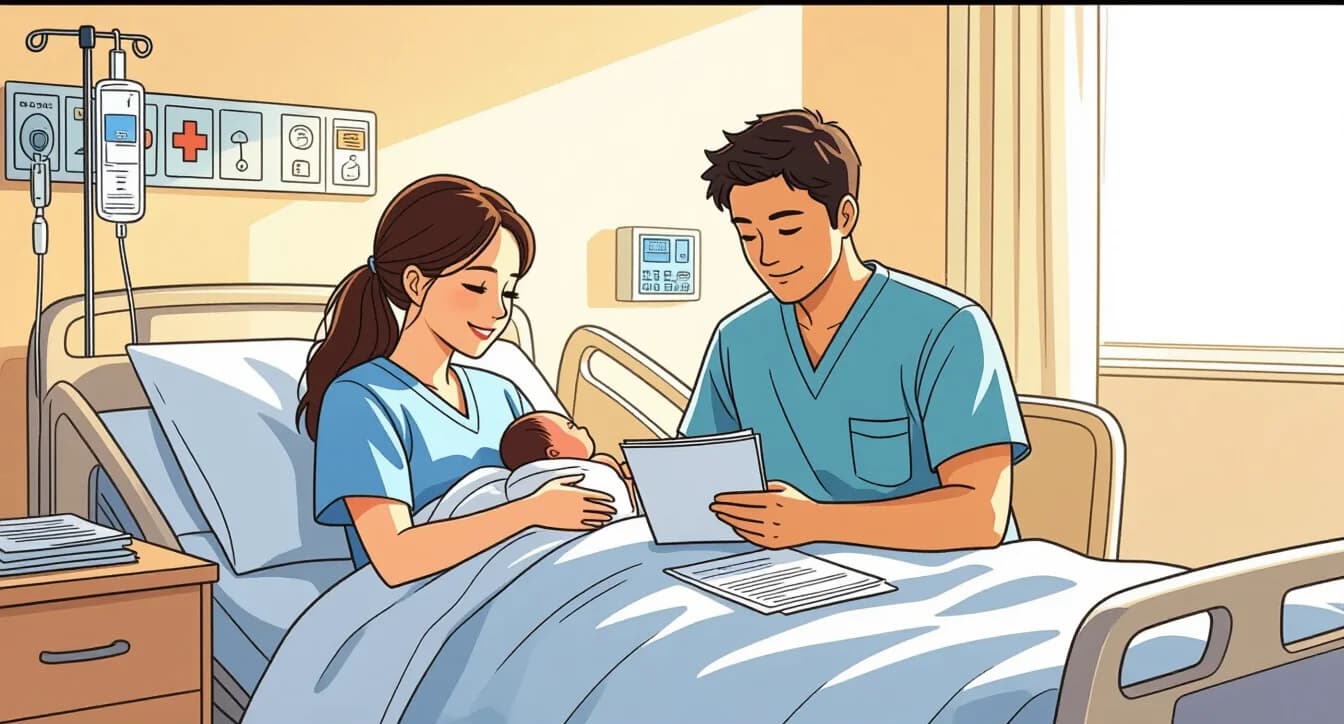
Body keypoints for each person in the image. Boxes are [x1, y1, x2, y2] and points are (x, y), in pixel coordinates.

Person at [681, 108, 1031, 552]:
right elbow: (702, 480)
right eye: (748, 235)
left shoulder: (946, 329)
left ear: (843, 217)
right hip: (786, 578)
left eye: (788, 229)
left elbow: (980, 518)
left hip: (941, 581)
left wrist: (815, 522)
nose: (766, 256)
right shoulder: (740, 339)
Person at [297, 174, 619, 587]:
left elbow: (558, 487)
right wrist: (531, 512)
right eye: (477, 286)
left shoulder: (502, 394)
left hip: (532, 572)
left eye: (509, 293)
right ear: (416, 283)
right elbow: (395, 559)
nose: (499, 311)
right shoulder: (360, 401)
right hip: (418, 597)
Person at [496, 411, 637, 521]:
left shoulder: (601, 464)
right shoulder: (597, 468)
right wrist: (629, 482)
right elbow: (621, 507)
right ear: (554, 453)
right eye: (571, 427)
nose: (582, 428)